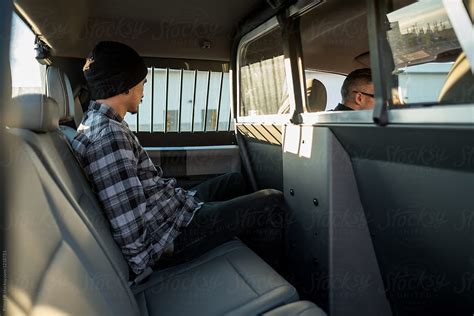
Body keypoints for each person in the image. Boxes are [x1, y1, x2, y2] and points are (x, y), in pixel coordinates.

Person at [71, 41, 285, 278]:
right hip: (173, 237)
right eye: (142, 82)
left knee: (233, 180)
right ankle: (269, 276)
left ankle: (237, 237)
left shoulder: (98, 123)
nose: (144, 89)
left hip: (173, 211)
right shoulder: (108, 136)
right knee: (272, 202)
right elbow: (127, 225)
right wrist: (145, 272)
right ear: (125, 86)